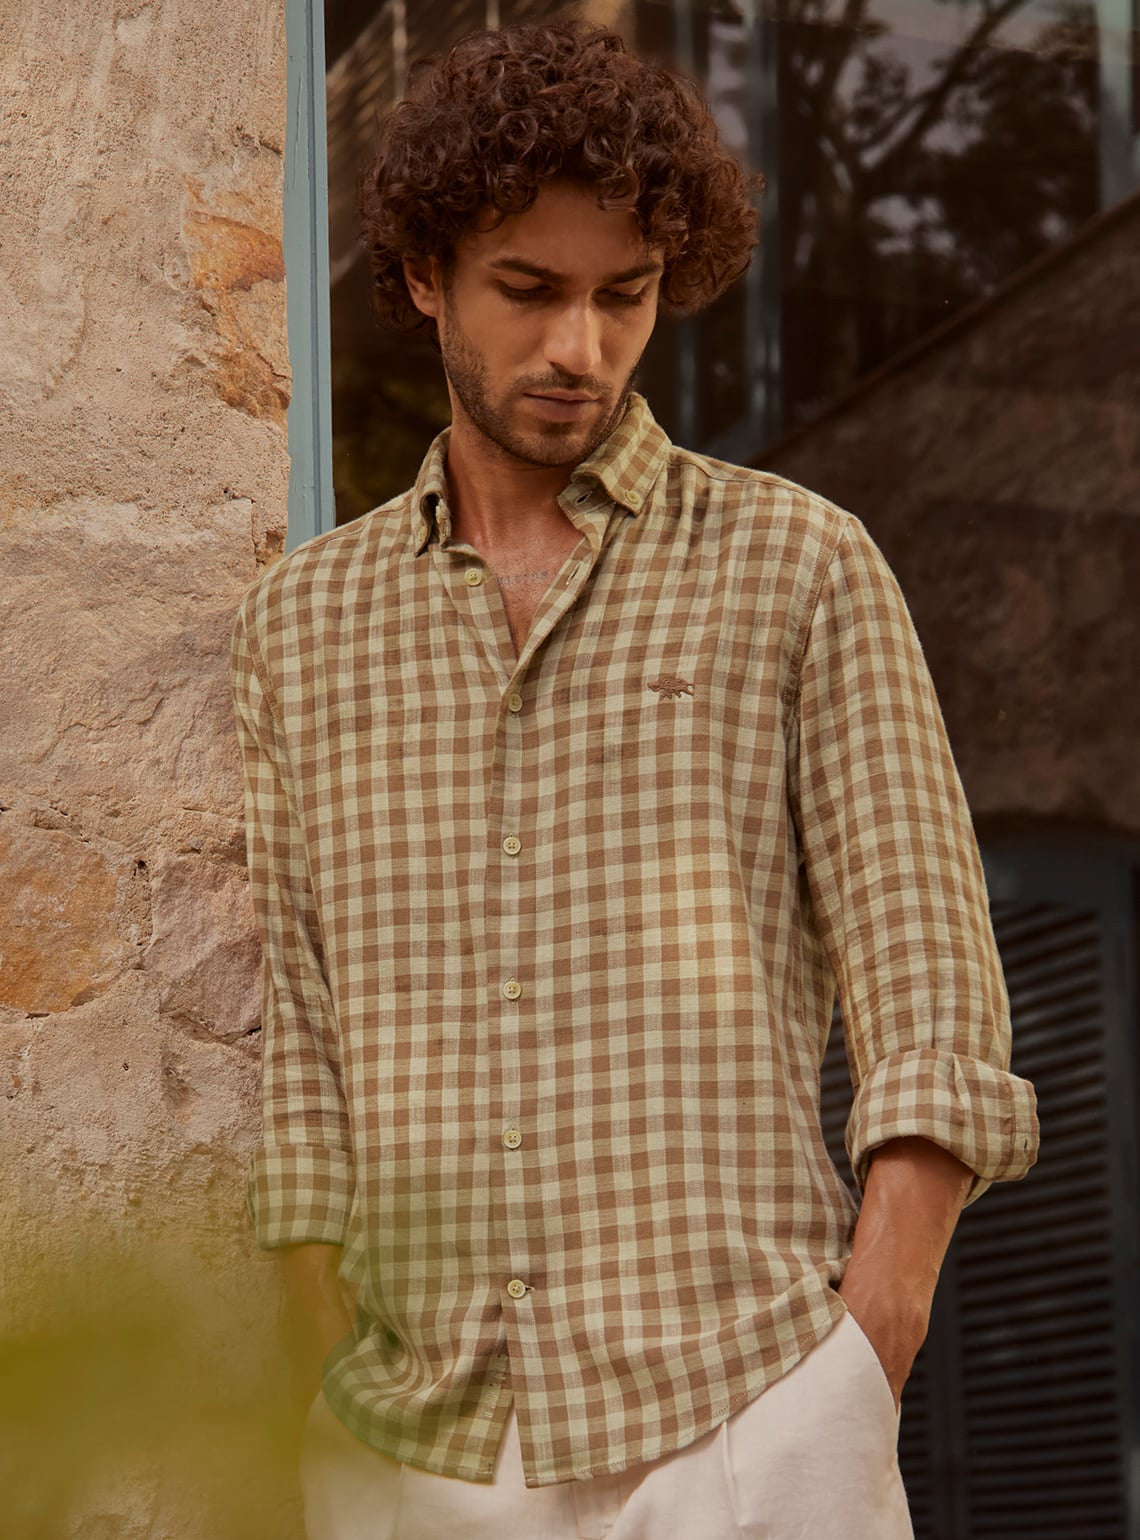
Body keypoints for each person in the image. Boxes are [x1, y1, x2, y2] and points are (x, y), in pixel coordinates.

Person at [229, 20, 1039, 1540]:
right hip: (415, 1447)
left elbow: (931, 995)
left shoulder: (799, 567)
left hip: (747, 1410)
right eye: (529, 289)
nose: (580, 349)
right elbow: (306, 1069)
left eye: (626, 295)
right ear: (424, 276)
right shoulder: (302, 627)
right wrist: (314, 1392)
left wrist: (860, 1355)